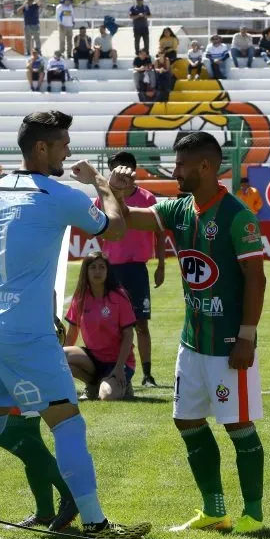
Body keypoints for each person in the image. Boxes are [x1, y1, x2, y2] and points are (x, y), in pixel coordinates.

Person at [0, 110, 149, 539]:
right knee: (69, 425)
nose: (69, 150)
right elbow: (117, 227)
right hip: (30, 336)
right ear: (41, 148)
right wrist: (102, 183)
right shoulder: (59, 194)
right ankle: (96, 525)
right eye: (63, 143)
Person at [109, 131, 267, 534]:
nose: (174, 171)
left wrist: (247, 336)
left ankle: (253, 513)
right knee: (187, 420)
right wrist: (115, 191)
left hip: (229, 345)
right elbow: (125, 222)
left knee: (237, 425)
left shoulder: (236, 216)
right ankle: (214, 510)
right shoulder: (179, 209)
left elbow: (256, 278)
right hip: (192, 343)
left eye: (180, 165)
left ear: (206, 167)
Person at [0, 173, 78, 532]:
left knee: (10, 432)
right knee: (25, 432)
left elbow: (33, 286)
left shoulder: (16, 228)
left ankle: (70, 493)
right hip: (11, 338)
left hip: (26, 343)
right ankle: (46, 510)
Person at [99, 151, 164, 388]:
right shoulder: (104, 199)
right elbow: (98, 228)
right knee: (111, 323)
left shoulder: (147, 198)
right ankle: (113, 371)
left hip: (137, 269)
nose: (122, 172)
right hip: (112, 269)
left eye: (126, 167)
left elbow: (158, 232)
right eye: (117, 168)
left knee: (141, 323)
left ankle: (147, 375)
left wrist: (161, 265)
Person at [63, 252, 137, 401]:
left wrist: (119, 367)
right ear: (86, 271)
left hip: (118, 361)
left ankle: (123, 385)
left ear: (107, 271)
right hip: (93, 359)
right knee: (59, 356)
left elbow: (129, 334)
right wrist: (59, 367)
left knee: (106, 396)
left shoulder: (119, 296)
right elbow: (72, 333)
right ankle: (92, 384)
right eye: (93, 267)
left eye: (102, 267)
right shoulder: (81, 297)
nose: (98, 271)